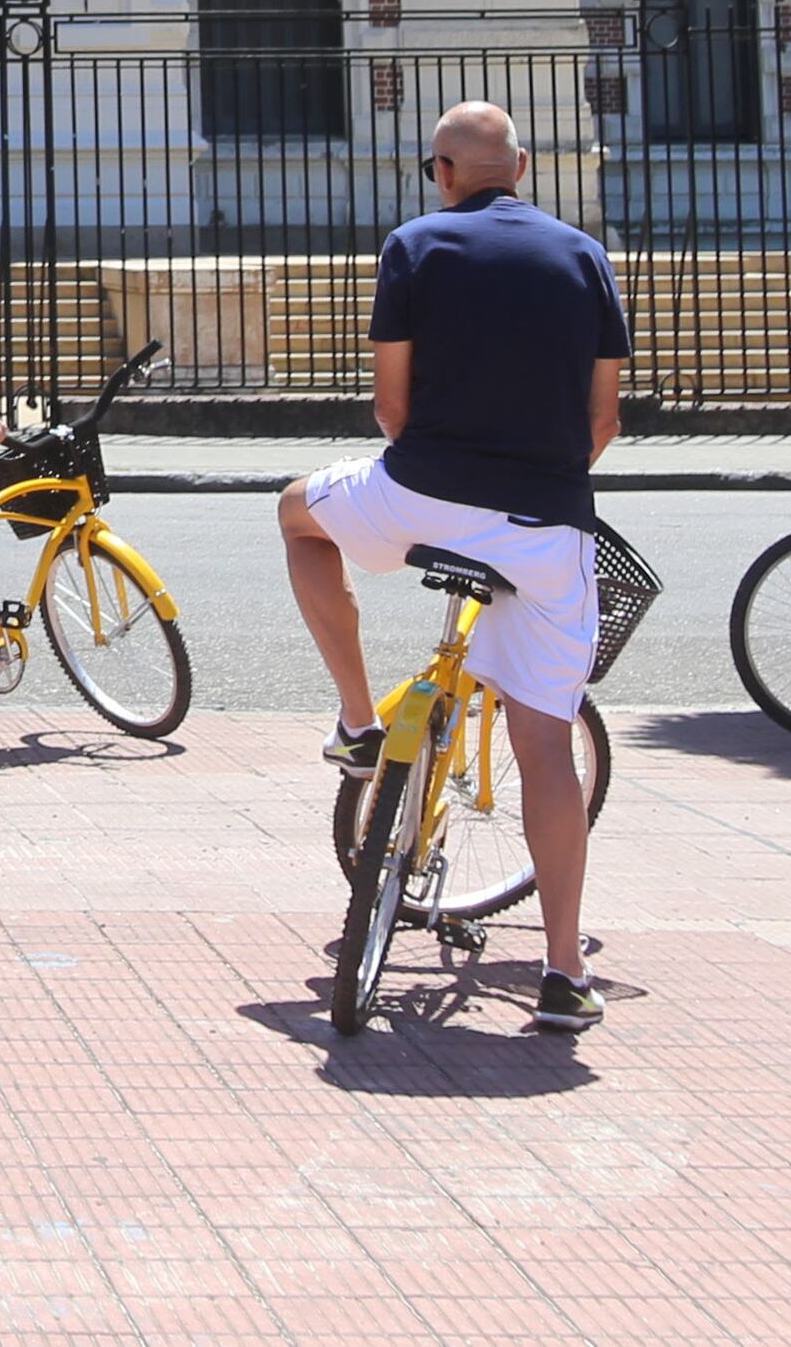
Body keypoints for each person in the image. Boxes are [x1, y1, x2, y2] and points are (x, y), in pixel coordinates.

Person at [277, 100, 630, 1032]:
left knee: (296, 515)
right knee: (546, 747)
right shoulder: (583, 254)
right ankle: (562, 969)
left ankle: (359, 722)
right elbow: (604, 422)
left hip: (424, 488)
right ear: (522, 168)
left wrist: (437, 478)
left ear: (441, 169)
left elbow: (391, 403)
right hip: (545, 517)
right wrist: (533, 483)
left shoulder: (415, 244)